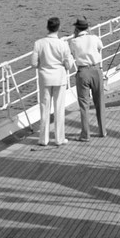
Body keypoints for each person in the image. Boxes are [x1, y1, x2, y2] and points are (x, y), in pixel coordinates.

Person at [31, 16, 75, 146]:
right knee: (59, 109)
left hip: (45, 78)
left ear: (47, 27)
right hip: (59, 78)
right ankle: (59, 138)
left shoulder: (38, 43)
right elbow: (68, 65)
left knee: (44, 108)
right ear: (59, 28)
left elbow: (33, 63)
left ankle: (43, 139)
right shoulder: (63, 44)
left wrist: (42, 65)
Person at [68, 16, 107, 140]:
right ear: (88, 27)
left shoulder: (74, 42)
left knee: (84, 104)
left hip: (83, 72)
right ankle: (102, 131)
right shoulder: (94, 38)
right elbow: (101, 47)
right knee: (99, 101)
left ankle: (85, 134)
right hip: (96, 70)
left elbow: (72, 53)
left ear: (77, 28)